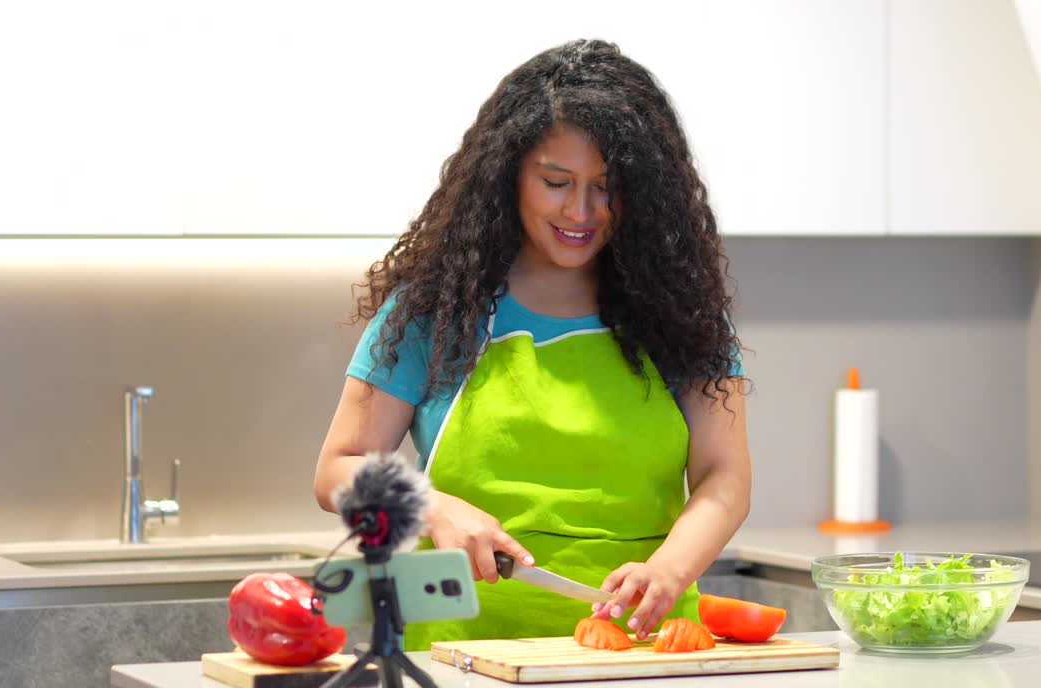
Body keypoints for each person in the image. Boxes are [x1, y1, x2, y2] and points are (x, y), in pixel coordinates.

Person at [313, 38, 751, 651]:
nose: (582, 209)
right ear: (509, 173)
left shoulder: (682, 313)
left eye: (608, 186)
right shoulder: (437, 309)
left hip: (644, 656)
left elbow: (724, 476)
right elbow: (338, 471)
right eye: (556, 181)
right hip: (463, 659)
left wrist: (669, 570)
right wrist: (432, 507)